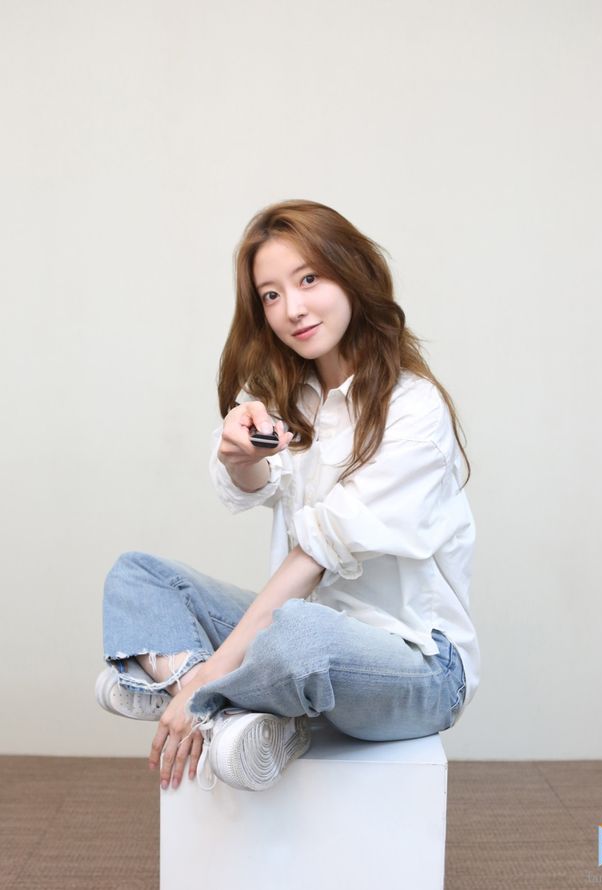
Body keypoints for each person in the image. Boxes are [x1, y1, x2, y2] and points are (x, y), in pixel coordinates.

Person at [95, 198, 480, 794]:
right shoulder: (292, 398)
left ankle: (181, 686)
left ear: (352, 274)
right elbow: (254, 485)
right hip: (298, 636)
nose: (292, 309)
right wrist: (242, 457)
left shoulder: (414, 411)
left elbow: (315, 555)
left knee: (298, 634)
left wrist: (209, 676)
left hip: (419, 667)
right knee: (138, 575)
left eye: (308, 280)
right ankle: (236, 715)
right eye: (270, 295)